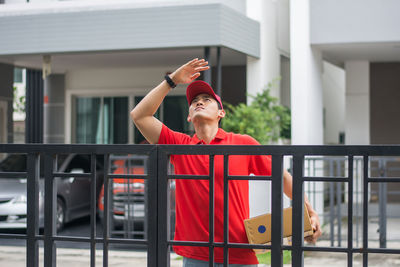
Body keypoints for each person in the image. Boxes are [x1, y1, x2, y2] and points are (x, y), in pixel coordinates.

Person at [130, 58, 322, 266]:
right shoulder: (179, 144)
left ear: (221, 113)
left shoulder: (242, 143)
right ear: (188, 116)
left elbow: (283, 177)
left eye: (207, 99)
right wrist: (172, 80)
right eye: (194, 102)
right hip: (196, 256)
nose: (199, 102)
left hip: (238, 252)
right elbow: (139, 116)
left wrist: (310, 212)